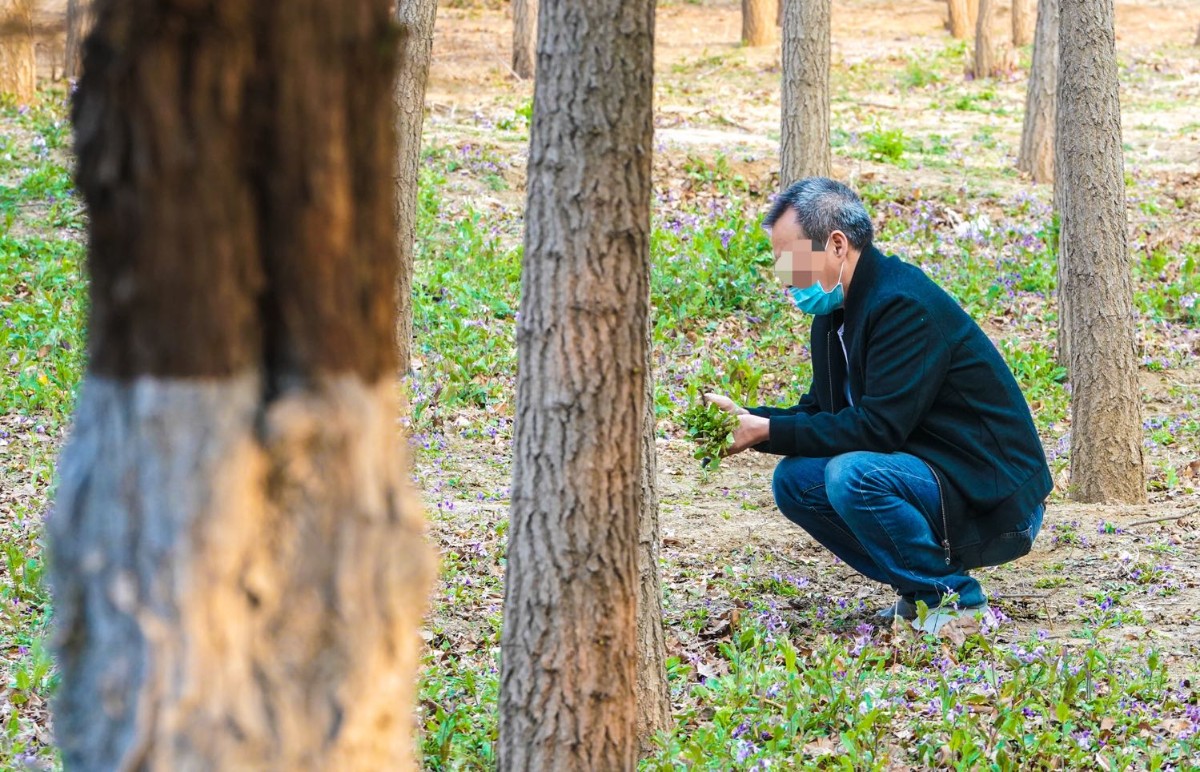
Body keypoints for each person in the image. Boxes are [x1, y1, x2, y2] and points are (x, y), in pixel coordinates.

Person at [707, 177, 1051, 633]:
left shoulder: (901, 304)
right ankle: (921, 590)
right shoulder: (836, 314)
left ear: (836, 245)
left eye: (791, 258)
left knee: (852, 474)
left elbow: (877, 429)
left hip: (994, 501)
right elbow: (824, 412)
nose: (784, 276)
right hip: (934, 480)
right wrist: (751, 421)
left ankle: (954, 601)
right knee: (795, 481)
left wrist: (766, 430)